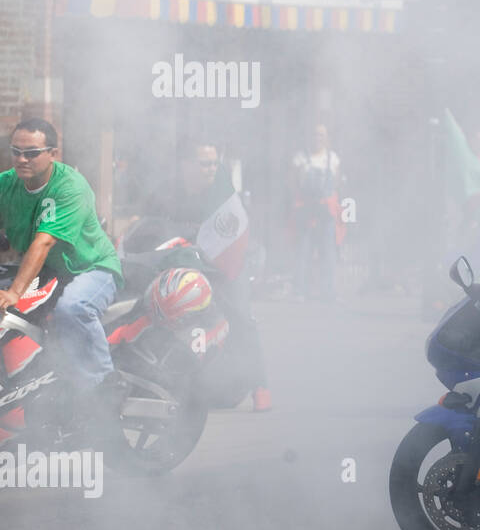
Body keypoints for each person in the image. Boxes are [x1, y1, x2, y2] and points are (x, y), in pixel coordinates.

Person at [0, 118, 127, 421]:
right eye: (16, 151)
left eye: (31, 152)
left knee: (73, 309)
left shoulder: (69, 186)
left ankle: (103, 386)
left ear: (53, 153)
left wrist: (15, 292)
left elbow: (43, 244)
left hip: (91, 268)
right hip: (49, 270)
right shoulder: (8, 183)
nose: (22, 159)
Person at [137, 141, 272, 412]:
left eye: (213, 163)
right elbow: (148, 220)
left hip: (224, 263)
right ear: (185, 165)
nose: (211, 169)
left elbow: (231, 235)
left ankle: (261, 386)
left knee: (241, 314)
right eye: (204, 163)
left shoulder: (222, 191)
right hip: (182, 259)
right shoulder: (169, 190)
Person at [291, 124, 344, 300]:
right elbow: (293, 182)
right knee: (303, 250)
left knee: (328, 252)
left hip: (325, 211)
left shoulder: (333, 158)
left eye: (321, 135)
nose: (318, 138)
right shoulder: (300, 158)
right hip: (306, 209)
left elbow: (336, 183)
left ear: (327, 137)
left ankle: (329, 291)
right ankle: (300, 291)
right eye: (315, 134)